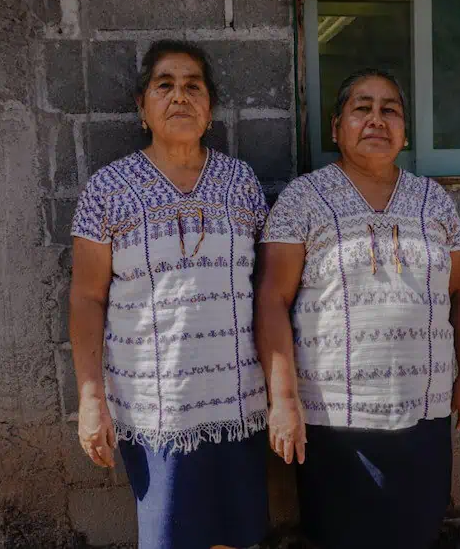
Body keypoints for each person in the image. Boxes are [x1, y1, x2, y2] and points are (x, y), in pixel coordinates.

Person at [255, 69, 460, 549]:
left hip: (424, 413)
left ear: (405, 131)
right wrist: (284, 401)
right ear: (337, 128)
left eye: (390, 110)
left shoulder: (433, 200)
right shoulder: (304, 199)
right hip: (337, 420)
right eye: (362, 108)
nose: (377, 119)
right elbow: (272, 299)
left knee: (417, 532)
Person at [69, 39, 270, 549]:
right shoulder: (108, 189)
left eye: (192, 86)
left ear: (209, 108)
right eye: (165, 86)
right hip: (156, 409)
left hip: (238, 402)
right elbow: (87, 298)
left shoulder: (241, 182)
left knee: (234, 536)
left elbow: (265, 288)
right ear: (142, 107)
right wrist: (91, 399)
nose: (180, 96)